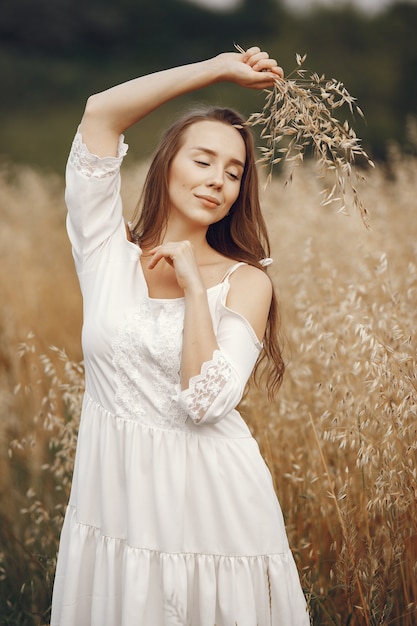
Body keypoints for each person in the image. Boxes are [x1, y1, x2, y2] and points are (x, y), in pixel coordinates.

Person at [50, 46, 310, 625]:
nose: (218, 180)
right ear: (168, 162)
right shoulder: (104, 252)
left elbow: (204, 400)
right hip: (113, 505)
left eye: (234, 172)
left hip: (212, 514)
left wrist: (195, 289)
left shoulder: (247, 282)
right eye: (203, 160)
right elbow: (99, 114)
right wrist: (217, 69)